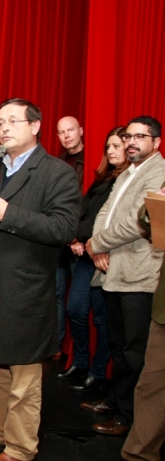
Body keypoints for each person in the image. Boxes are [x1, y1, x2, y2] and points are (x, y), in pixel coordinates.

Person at [0, 98, 80, 461]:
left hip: (24, 288)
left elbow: (63, 228)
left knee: (23, 378)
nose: (4, 128)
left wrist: (8, 213)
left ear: (35, 126)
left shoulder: (57, 172)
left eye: (13, 121)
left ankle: (20, 447)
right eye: (0, 122)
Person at [82, 116, 165, 436]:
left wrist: (96, 243)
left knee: (134, 352)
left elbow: (137, 222)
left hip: (140, 274)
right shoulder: (128, 172)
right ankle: (115, 401)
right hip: (114, 270)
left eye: (140, 137)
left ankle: (129, 418)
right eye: (129, 136)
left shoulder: (158, 172)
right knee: (117, 345)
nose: (132, 142)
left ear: (156, 142)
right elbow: (105, 212)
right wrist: (97, 245)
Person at [56, 127, 127, 390]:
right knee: (75, 310)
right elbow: (83, 211)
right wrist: (74, 238)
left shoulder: (125, 182)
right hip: (86, 254)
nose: (111, 151)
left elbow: (110, 221)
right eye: (108, 146)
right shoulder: (102, 178)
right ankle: (80, 361)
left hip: (106, 257)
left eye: (117, 146)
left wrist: (84, 239)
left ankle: (97, 372)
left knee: (101, 318)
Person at [122, 189, 165, 460]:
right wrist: (156, 204)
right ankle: (138, 455)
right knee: (151, 386)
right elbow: (147, 222)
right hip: (164, 309)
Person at [55, 116, 86, 356]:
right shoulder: (58, 163)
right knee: (55, 295)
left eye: (71, 130)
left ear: (81, 131)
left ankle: (79, 356)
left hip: (80, 242)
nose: (66, 135)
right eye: (62, 132)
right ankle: (56, 345)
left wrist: (75, 237)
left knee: (78, 305)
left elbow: (86, 205)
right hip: (58, 241)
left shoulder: (92, 161)